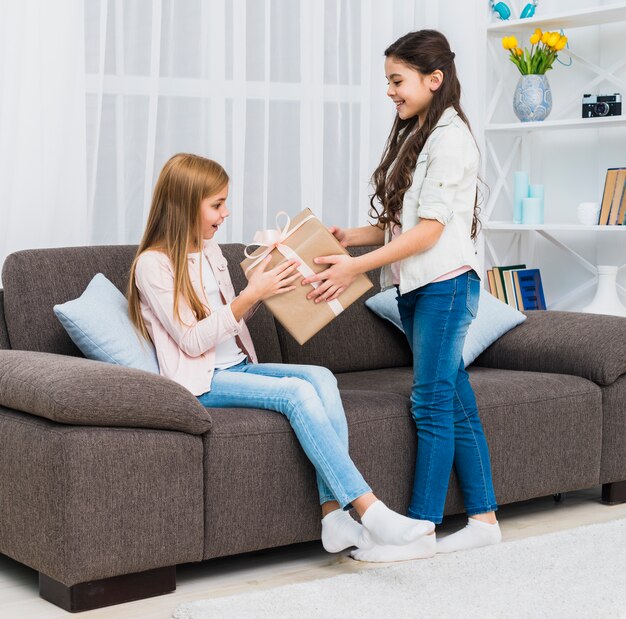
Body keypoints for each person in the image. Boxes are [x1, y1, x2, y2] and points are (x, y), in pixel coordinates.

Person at [127, 153, 436, 560]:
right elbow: (191, 340)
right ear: (186, 203)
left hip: (236, 366)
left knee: (321, 377)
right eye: (217, 204)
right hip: (200, 382)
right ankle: (369, 508)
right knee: (295, 394)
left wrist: (261, 292)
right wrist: (250, 294)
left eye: (225, 202)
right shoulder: (152, 265)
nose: (226, 213)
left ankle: (332, 517)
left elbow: (229, 325)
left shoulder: (211, 252)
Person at [302, 30, 501, 562]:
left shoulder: (452, 139)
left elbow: (431, 232)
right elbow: (404, 222)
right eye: (388, 81)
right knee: (455, 398)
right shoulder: (422, 133)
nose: (390, 91)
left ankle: (421, 531)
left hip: (446, 285)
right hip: (419, 287)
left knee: (431, 402)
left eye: (397, 80)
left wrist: (356, 268)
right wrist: (354, 238)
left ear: (433, 80)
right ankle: (483, 518)